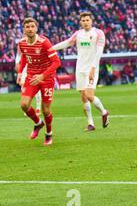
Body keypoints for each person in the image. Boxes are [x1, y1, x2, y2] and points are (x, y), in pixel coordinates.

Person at [53, 12, 110, 132]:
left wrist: (93, 68)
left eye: (87, 20)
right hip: (80, 68)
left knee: (89, 95)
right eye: (83, 20)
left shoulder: (98, 33)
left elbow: (99, 52)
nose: (85, 22)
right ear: (80, 22)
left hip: (92, 68)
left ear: (91, 21)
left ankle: (104, 112)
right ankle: (90, 123)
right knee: (83, 97)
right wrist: (51, 48)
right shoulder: (78, 34)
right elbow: (67, 43)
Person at [17, 18, 61, 146]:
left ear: (36, 28)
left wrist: (42, 76)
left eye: (32, 26)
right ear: (24, 29)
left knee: (46, 110)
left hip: (46, 78)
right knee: (24, 105)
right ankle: (38, 123)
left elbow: (57, 62)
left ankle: (48, 133)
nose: (30, 29)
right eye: (27, 27)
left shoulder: (44, 42)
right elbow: (25, 56)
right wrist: (20, 73)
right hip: (31, 76)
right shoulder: (22, 43)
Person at [15, 46, 42, 117]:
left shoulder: (32, 49)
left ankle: (38, 108)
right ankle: (27, 108)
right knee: (24, 90)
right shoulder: (18, 55)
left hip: (33, 71)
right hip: (24, 72)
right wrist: (19, 74)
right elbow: (17, 65)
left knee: (36, 88)